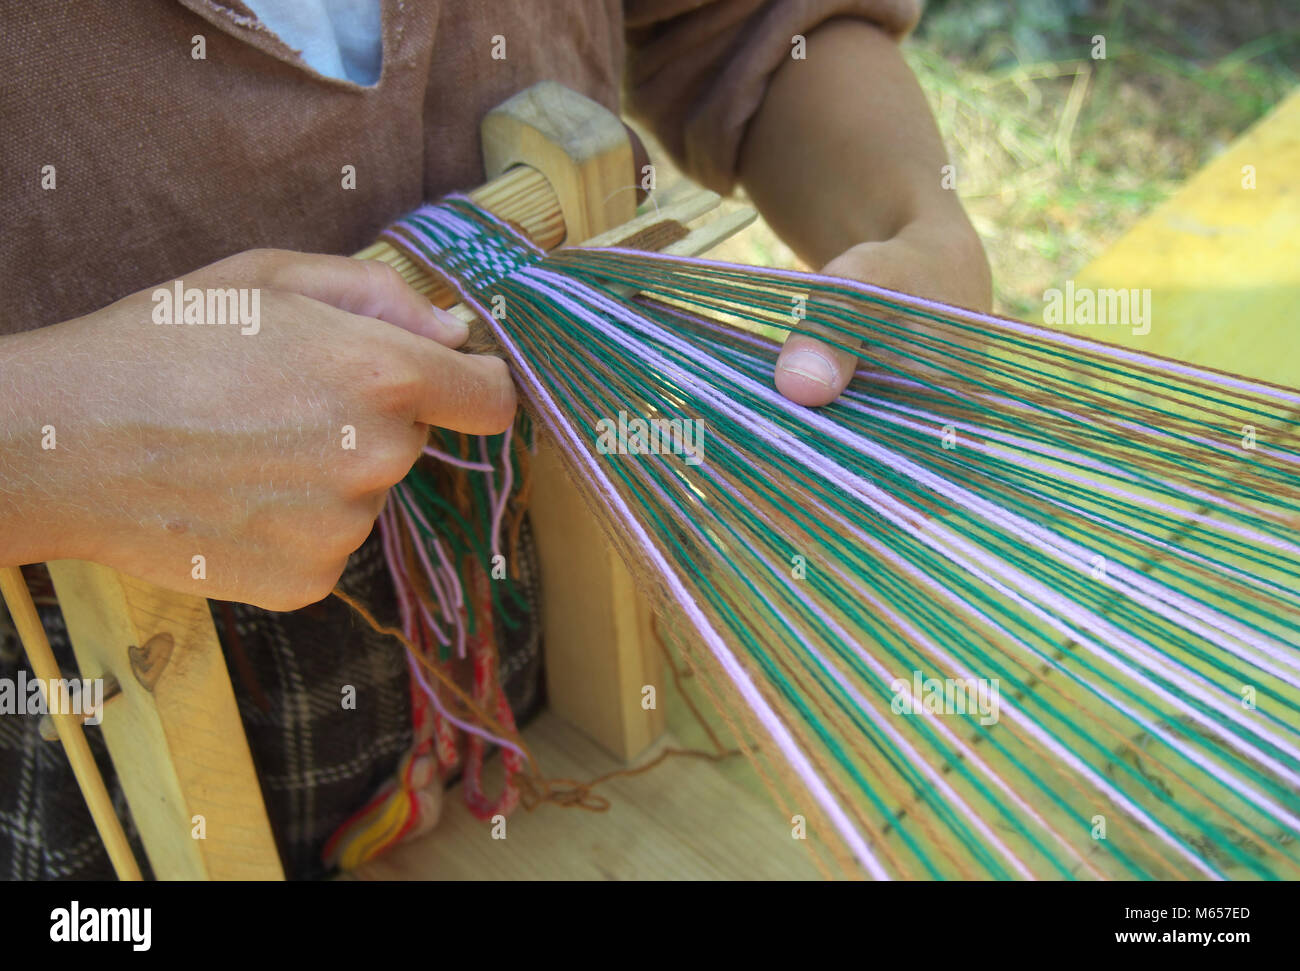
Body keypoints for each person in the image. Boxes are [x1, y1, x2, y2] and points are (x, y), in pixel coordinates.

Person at [0, 0, 990, 878]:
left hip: (557, 549)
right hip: (90, 700)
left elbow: (748, 24)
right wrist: (49, 443)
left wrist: (915, 219)